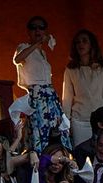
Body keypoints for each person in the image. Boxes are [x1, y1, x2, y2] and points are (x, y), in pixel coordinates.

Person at [15, 16, 68, 151]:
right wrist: (36, 44)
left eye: (41, 27)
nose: (37, 30)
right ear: (29, 31)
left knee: (56, 129)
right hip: (37, 95)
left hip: (49, 95)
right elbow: (18, 59)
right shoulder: (24, 47)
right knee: (39, 127)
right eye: (33, 27)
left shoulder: (43, 53)